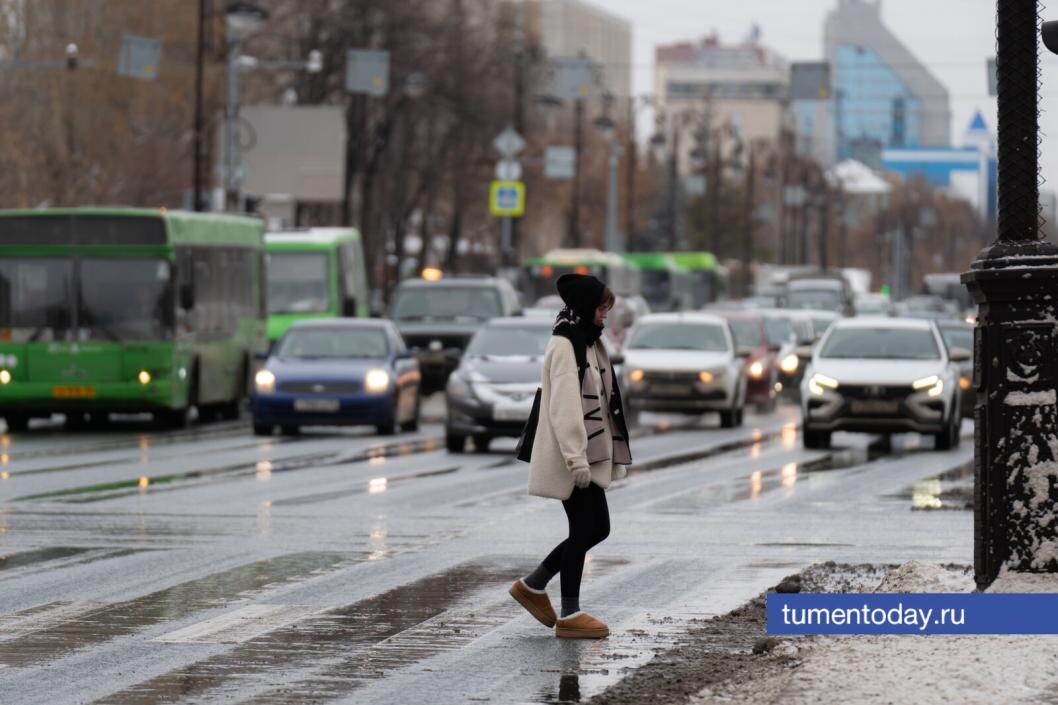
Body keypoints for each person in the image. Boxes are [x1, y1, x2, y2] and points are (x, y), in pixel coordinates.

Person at [508, 273, 632, 639]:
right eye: (600, 308)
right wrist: (576, 460)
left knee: (598, 527)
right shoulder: (566, 345)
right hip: (573, 456)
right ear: (583, 308)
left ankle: (533, 586)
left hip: (588, 453)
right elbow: (564, 407)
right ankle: (569, 614)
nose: (604, 315)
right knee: (584, 529)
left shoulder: (589, 342)